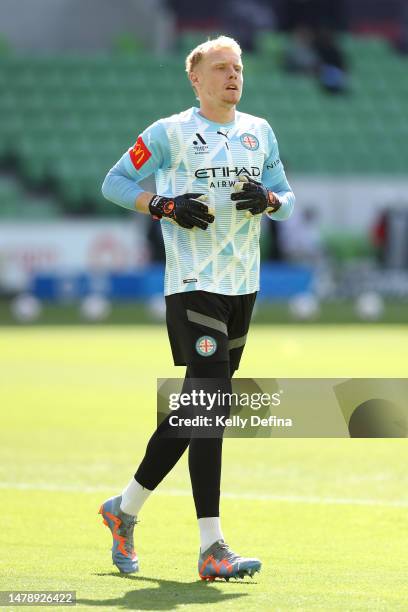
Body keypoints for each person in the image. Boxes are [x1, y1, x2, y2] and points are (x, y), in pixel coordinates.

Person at [100, 35, 295, 581]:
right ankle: (213, 546)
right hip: (192, 283)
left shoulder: (260, 132)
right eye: (221, 68)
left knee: (197, 411)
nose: (233, 76)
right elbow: (114, 182)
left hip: (243, 287)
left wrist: (272, 201)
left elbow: (286, 198)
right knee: (209, 404)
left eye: (238, 68)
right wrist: (162, 205)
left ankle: (124, 509)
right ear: (196, 78)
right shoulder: (169, 133)